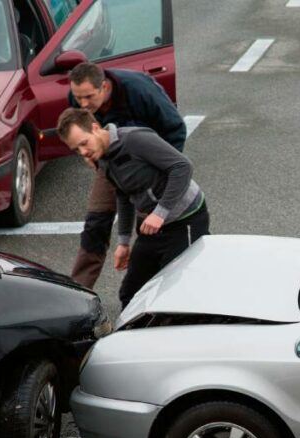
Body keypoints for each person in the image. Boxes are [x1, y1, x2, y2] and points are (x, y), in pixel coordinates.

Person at [56, 108, 209, 307]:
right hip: (152, 227)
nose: (83, 152)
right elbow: (123, 194)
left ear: (95, 128)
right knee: (131, 293)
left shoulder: (134, 139)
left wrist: (160, 213)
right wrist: (124, 242)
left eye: (84, 143)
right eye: (76, 149)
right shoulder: (102, 158)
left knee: (176, 292)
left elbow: (182, 167)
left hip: (185, 220)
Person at [66, 62, 187, 289]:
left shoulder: (140, 91)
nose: (82, 104)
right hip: (109, 163)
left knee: (153, 227)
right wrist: (92, 158)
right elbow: (78, 130)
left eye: (88, 97)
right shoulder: (79, 98)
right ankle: (79, 292)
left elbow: (176, 129)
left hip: (148, 162)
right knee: (95, 225)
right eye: (77, 97)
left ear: (103, 87)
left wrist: (160, 172)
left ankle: (163, 290)